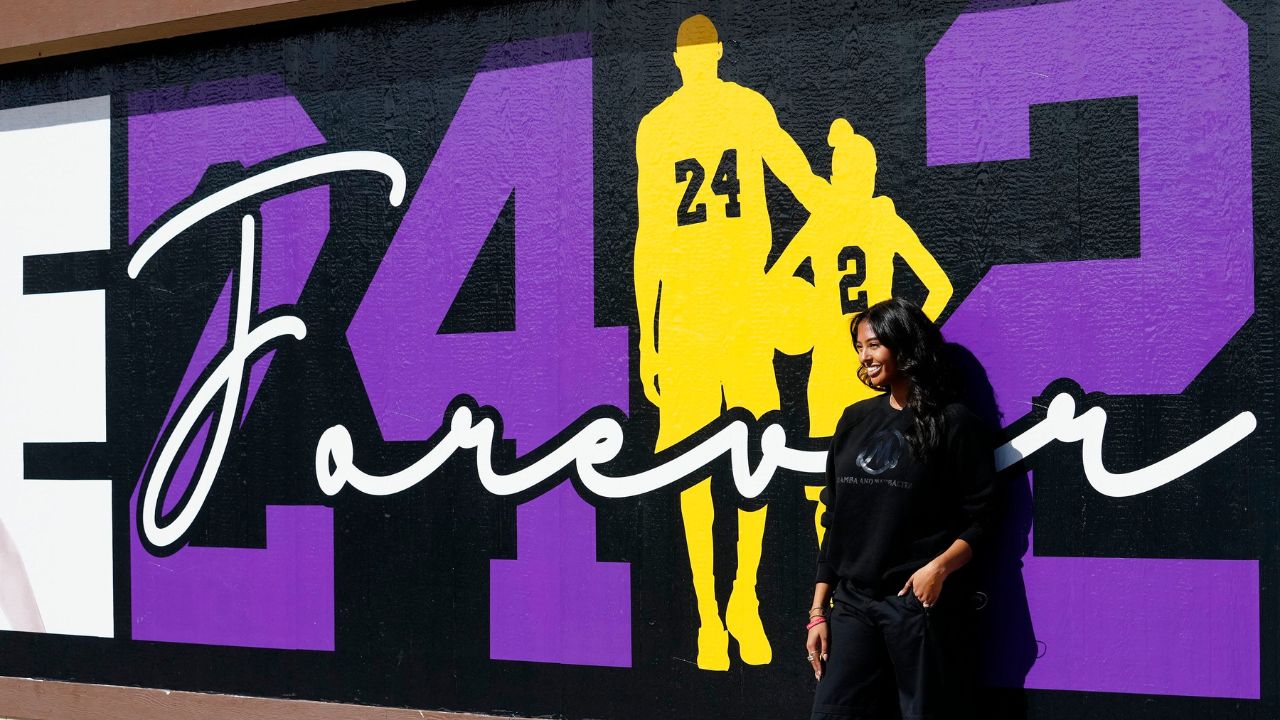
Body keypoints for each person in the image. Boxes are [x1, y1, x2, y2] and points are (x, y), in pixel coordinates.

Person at [633, 14, 828, 671]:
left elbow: (793, 171)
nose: (697, 59)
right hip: (692, 314)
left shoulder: (726, 112)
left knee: (752, 459)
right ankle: (709, 618)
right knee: (699, 467)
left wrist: (821, 203)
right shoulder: (667, 126)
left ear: (702, 53)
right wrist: (651, 341)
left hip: (738, 306)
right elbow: (652, 240)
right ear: (692, 56)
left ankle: (740, 598)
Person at [805, 298, 997, 720]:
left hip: (915, 605)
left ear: (905, 346)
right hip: (853, 603)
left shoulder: (954, 423)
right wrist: (818, 611)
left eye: (874, 345)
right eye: (859, 347)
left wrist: (939, 569)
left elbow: (984, 518)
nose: (865, 357)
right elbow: (835, 518)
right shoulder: (854, 420)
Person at [770, 118, 952, 438]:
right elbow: (940, 287)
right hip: (874, 365)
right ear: (870, 175)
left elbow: (776, 281)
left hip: (830, 362)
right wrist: (904, 341)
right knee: (878, 469)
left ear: (834, 177)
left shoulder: (822, 222)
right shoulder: (883, 219)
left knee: (826, 472)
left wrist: (804, 317)